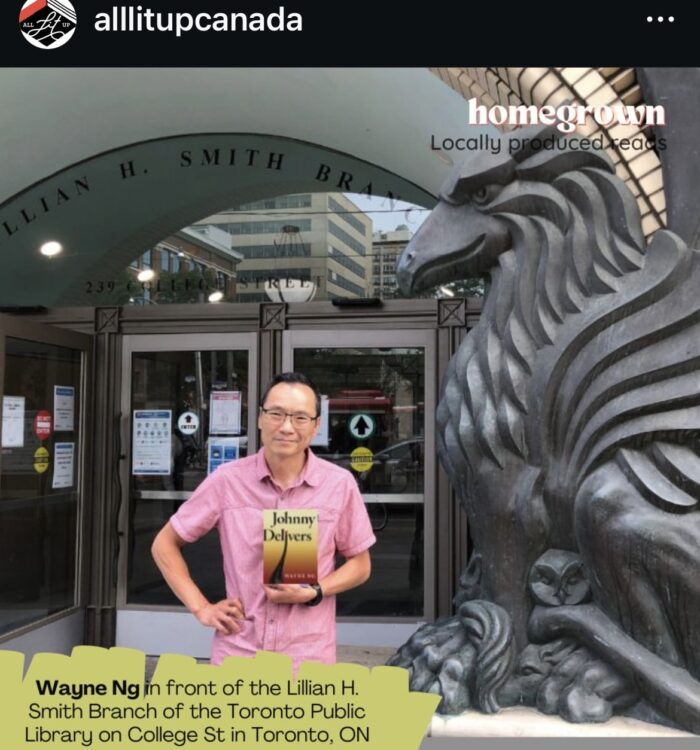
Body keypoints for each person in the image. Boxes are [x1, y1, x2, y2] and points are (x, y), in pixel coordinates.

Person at [151, 372, 375, 670]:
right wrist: (201, 608)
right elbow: (164, 544)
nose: (286, 427)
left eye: (299, 417)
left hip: (308, 659)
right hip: (239, 654)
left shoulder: (338, 484)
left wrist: (315, 590)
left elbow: (361, 565)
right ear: (260, 418)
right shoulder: (227, 481)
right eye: (276, 414)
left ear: (316, 426)